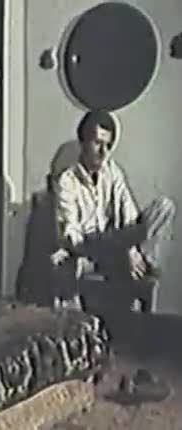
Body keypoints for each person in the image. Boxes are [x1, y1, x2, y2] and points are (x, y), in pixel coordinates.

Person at [50, 110, 176, 310]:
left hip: (116, 244)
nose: (103, 152)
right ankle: (137, 269)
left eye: (108, 146)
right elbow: (71, 235)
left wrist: (131, 249)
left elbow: (129, 214)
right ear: (83, 142)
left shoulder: (112, 170)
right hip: (89, 249)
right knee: (69, 262)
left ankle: (142, 264)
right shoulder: (67, 180)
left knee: (164, 206)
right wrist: (113, 245)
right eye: (98, 143)